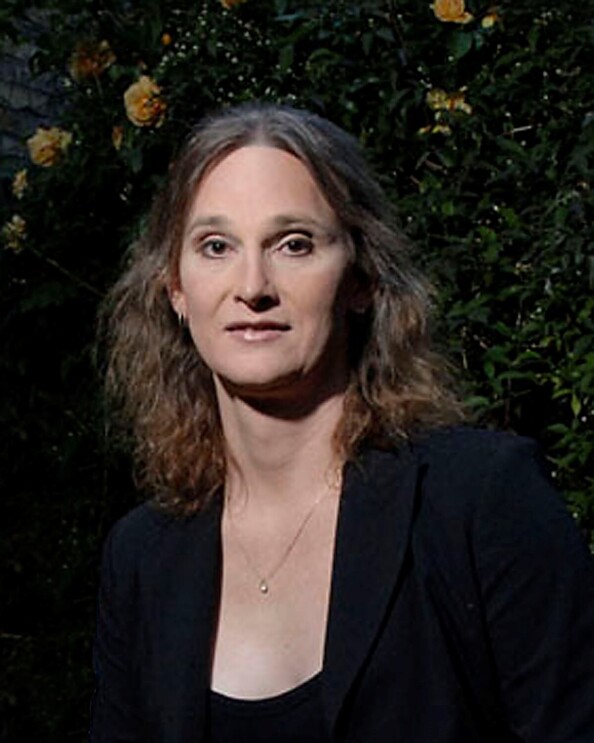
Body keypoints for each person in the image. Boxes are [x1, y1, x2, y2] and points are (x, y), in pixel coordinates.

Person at [90, 102, 594, 743]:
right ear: (176, 291)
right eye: (216, 246)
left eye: (294, 244)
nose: (253, 285)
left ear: (359, 278)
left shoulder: (480, 499)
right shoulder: (142, 557)